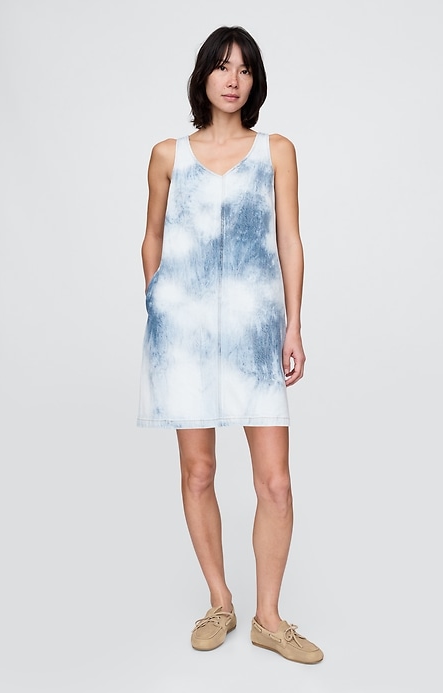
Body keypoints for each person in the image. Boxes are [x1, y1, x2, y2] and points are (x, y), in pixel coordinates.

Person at [137, 25, 323, 665]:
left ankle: (269, 618)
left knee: (276, 483)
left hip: (254, 333)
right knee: (199, 471)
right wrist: (157, 303)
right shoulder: (168, 154)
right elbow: (152, 235)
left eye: (243, 69)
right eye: (221, 66)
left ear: (254, 80)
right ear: (204, 77)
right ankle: (221, 601)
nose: (232, 79)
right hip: (184, 336)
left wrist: (293, 324)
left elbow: (290, 240)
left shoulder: (277, 151)